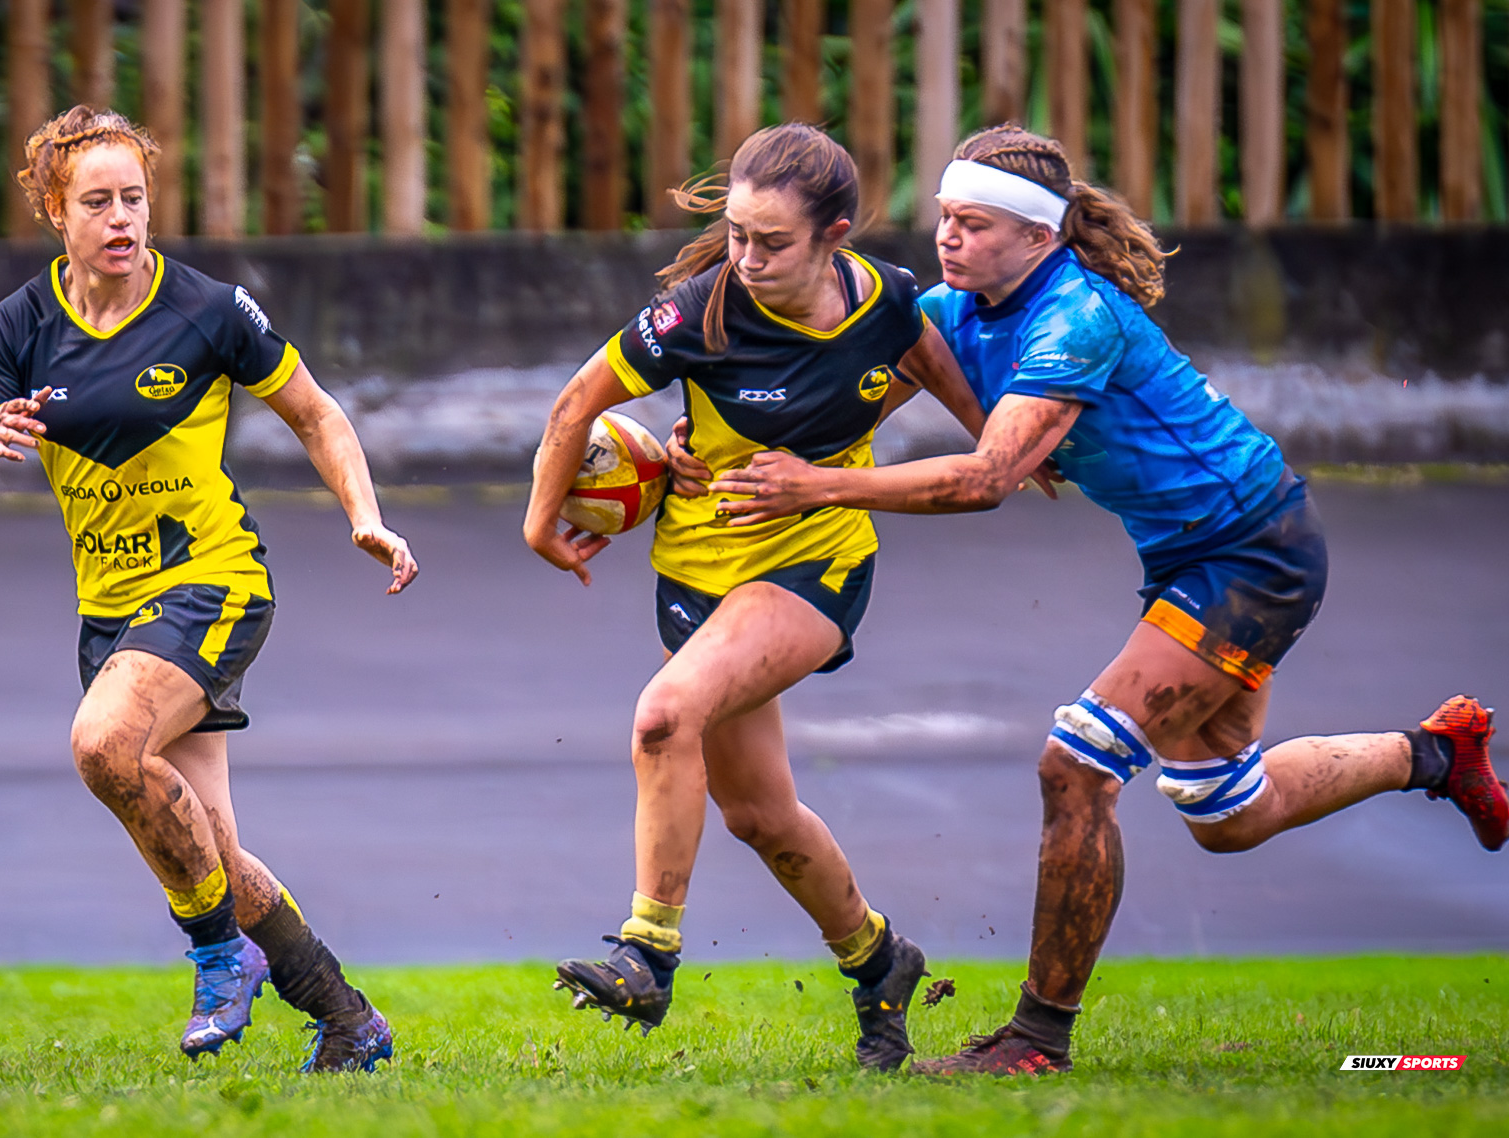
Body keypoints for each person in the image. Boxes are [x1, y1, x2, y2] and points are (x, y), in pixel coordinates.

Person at [684, 123, 1507, 1075]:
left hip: (1252, 554)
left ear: (1041, 237)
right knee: (1225, 810)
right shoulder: (956, 312)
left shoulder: (1075, 316)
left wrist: (815, 487)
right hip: (1192, 560)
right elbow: (837, 402)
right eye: (946, 219)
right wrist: (699, 450)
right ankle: (1439, 755)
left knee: (1075, 764)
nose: (949, 240)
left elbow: (988, 477)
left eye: (977, 225)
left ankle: (1038, 1038)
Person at [0, 106, 417, 1073]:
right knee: (212, 856)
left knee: (102, 744)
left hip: (212, 582)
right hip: (111, 615)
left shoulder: (208, 309)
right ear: (54, 212)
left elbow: (317, 414)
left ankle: (214, 959)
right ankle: (348, 1019)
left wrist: (364, 513)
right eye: (98, 203)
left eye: (136, 199)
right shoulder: (24, 324)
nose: (123, 219)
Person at [523, 123, 989, 1070]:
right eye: (735, 234)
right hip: (694, 568)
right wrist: (540, 523)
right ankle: (880, 961)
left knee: (664, 717)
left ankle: (646, 952)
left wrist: (1007, 449)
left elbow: (937, 373)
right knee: (761, 817)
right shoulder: (703, 312)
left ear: (836, 237)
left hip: (814, 562)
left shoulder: (890, 303)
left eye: (770, 243)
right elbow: (576, 403)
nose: (744, 258)